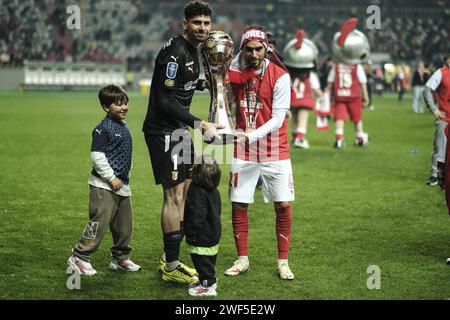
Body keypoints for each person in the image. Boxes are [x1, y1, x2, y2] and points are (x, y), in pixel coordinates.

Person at [142, 1, 222, 285]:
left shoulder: (194, 50)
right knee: (174, 197)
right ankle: (172, 265)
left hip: (177, 131)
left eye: (206, 23)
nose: (202, 28)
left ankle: (168, 256)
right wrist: (200, 124)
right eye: (197, 23)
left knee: (186, 192)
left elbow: (180, 87)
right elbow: (165, 101)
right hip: (164, 131)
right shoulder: (175, 54)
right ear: (185, 23)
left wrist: (202, 84)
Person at [225, 25, 295, 280]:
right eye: (249, 49)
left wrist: (249, 134)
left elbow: (278, 118)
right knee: (239, 203)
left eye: (258, 49)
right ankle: (242, 259)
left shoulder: (281, 76)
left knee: (283, 204)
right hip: (243, 150)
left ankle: (283, 262)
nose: (254, 54)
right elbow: (222, 101)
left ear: (267, 49)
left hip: (276, 148)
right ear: (242, 49)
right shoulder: (233, 71)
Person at [67, 84, 141, 275]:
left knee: (124, 226)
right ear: (106, 107)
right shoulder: (102, 129)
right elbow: (97, 157)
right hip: (104, 186)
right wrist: (111, 178)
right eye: (118, 104)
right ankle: (80, 256)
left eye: (125, 103)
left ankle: (120, 258)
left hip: (122, 185)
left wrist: (125, 178)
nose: (124, 107)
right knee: (98, 223)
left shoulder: (124, 126)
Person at [184, 154, 222, 297]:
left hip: (201, 235)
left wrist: (190, 232)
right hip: (213, 232)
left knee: (202, 261)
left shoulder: (196, 191)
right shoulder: (214, 190)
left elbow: (197, 215)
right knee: (209, 260)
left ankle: (208, 284)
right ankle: (204, 279)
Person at [423, 56, 450, 190]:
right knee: (440, 149)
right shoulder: (441, 72)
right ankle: (435, 176)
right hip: (445, 118)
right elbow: (427, 89)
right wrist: (434, 109)